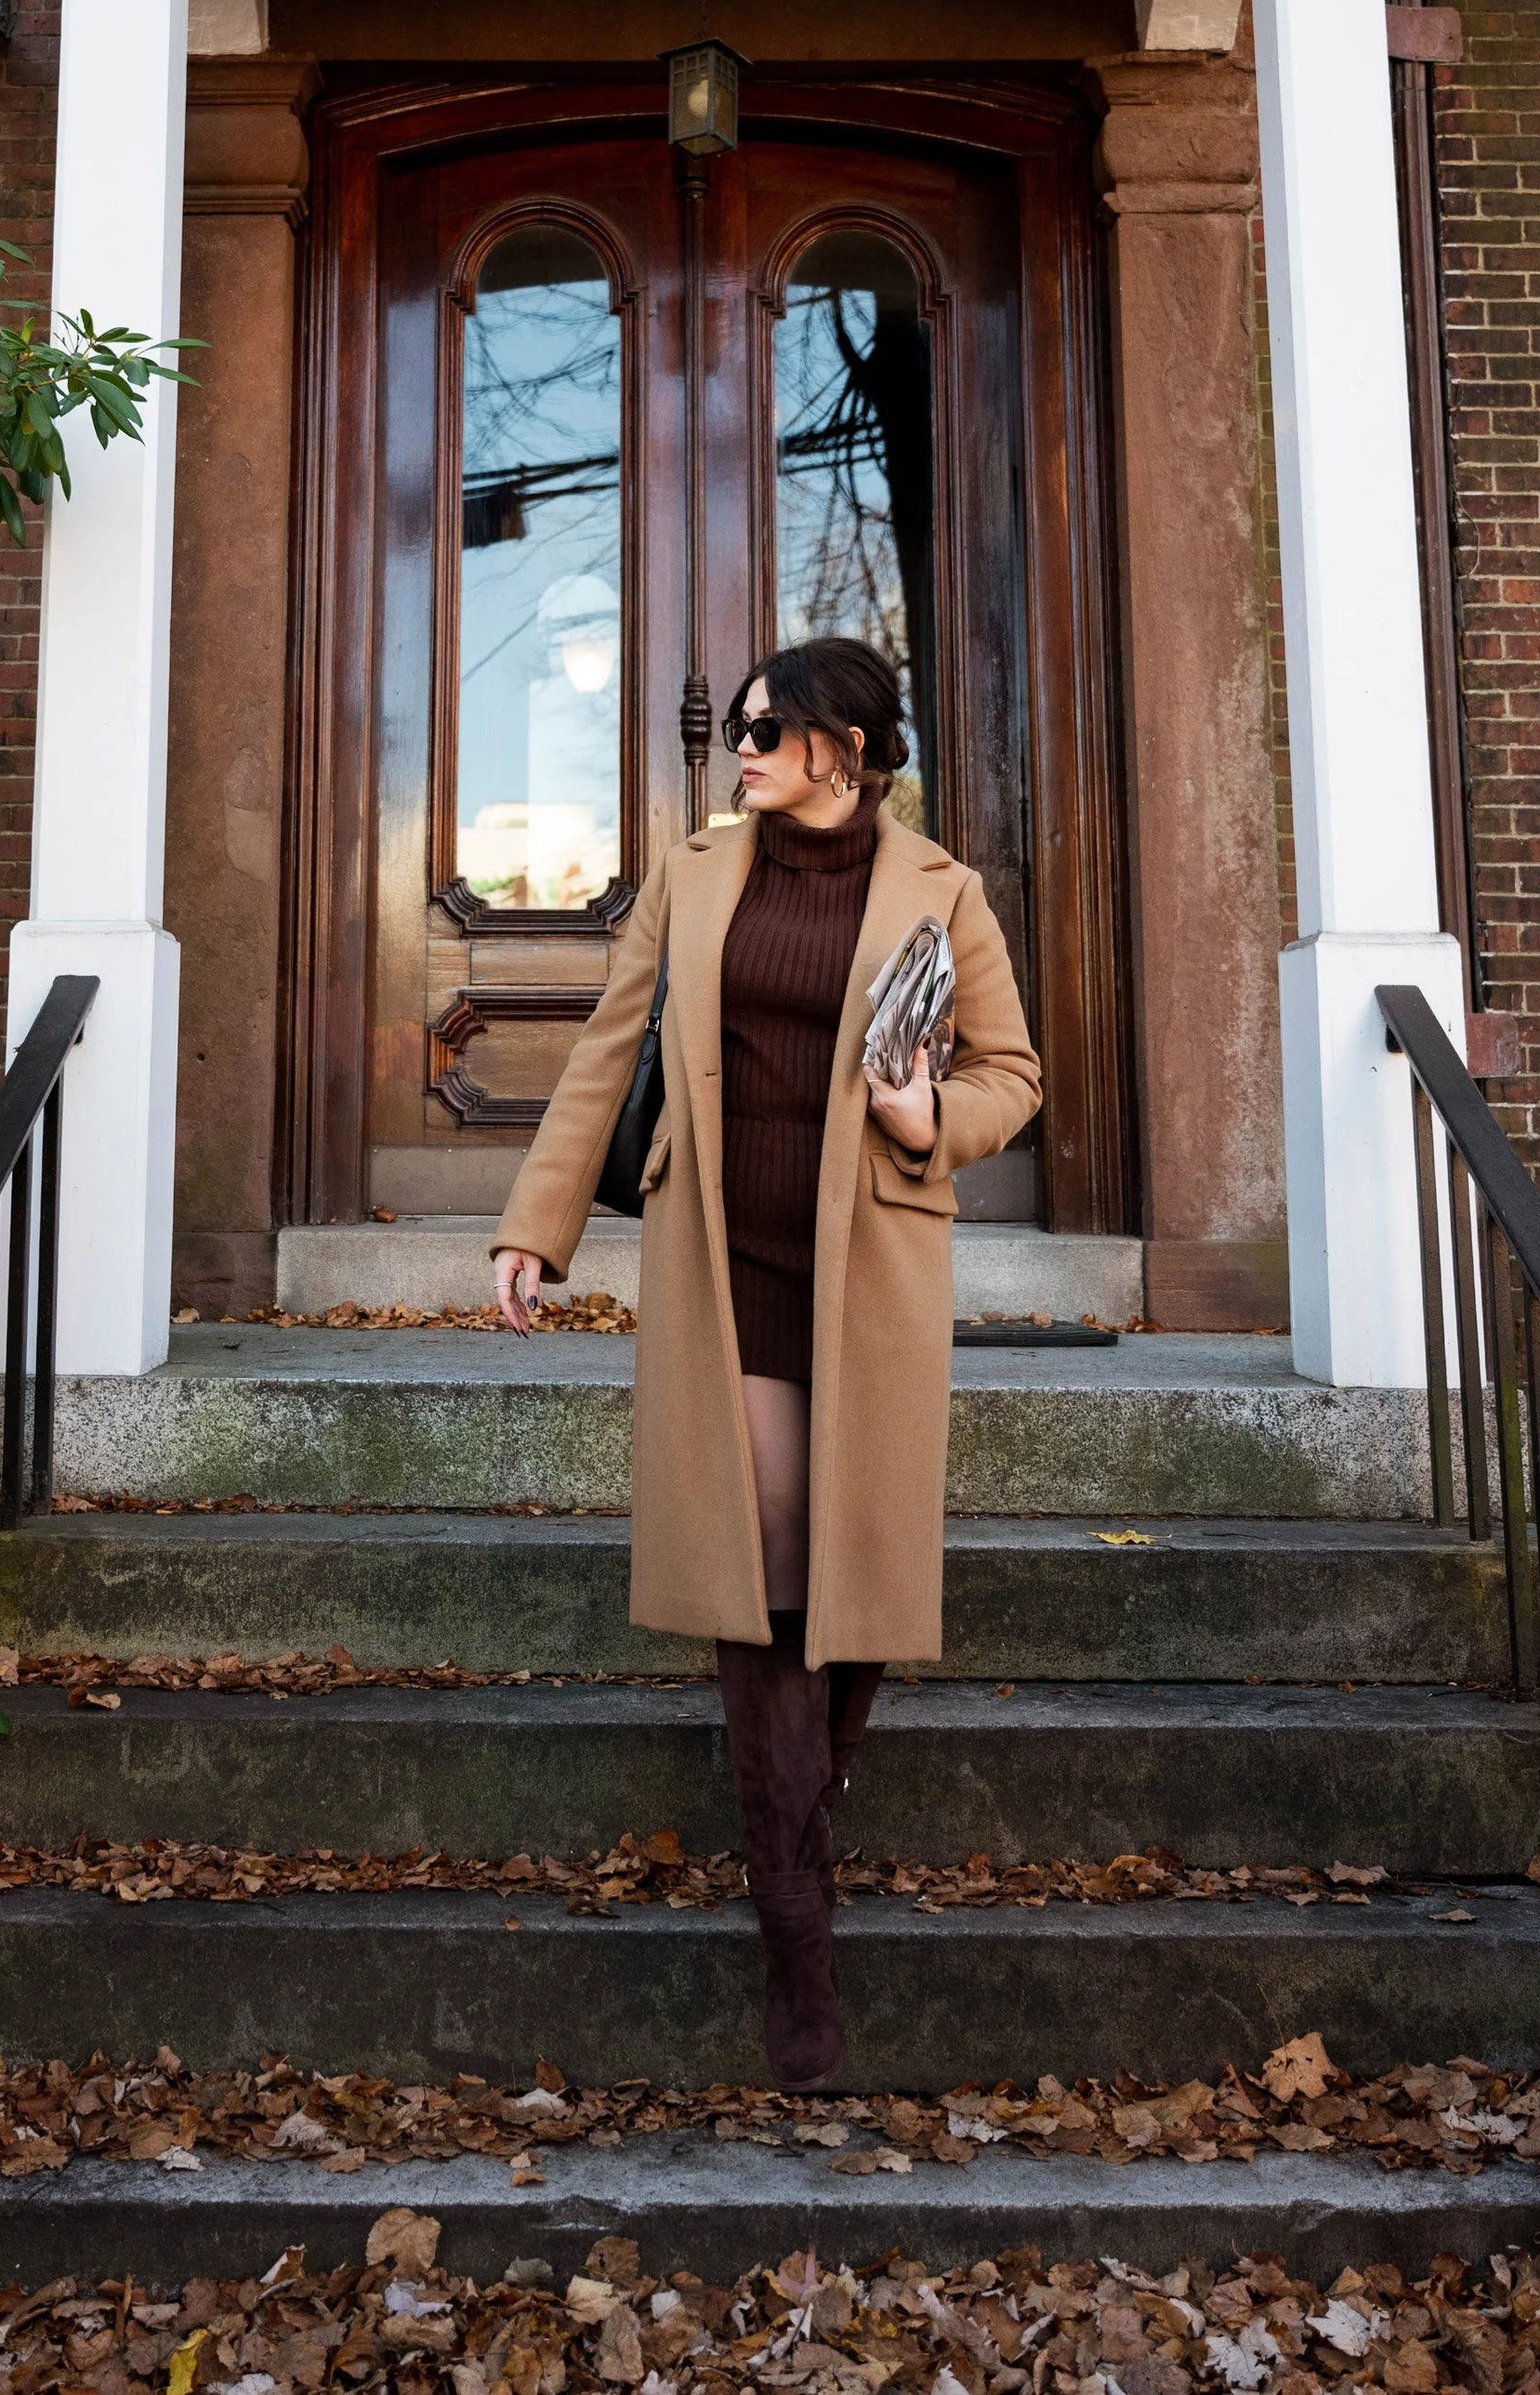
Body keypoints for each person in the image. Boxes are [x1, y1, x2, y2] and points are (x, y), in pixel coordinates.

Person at [492, 636, 1041, 2087]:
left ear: (841, 751)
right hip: (722, 1253)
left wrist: (934, 1122)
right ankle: (800, 1946)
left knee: (842, 1585)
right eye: (739, 726)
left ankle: (805, 1791)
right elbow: (612, 1049)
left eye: (764, 728)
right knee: (764, 1551)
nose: (738, 746)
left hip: (868, 1258)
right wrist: (537, 1230)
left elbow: (1013, 1075)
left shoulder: (942, 891)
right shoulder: (697, 873)